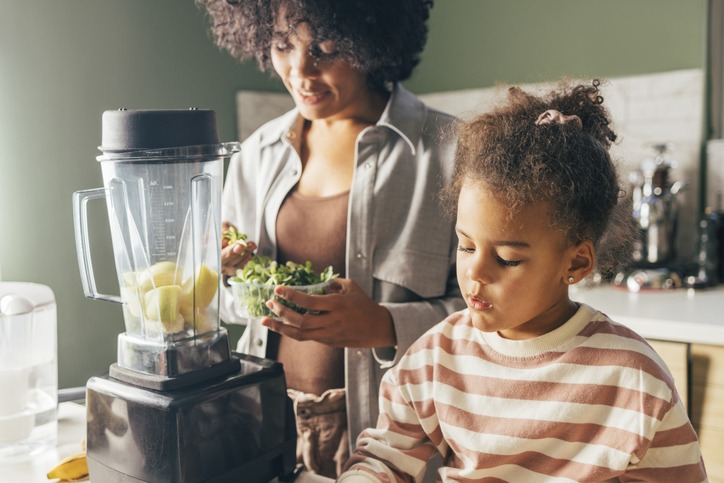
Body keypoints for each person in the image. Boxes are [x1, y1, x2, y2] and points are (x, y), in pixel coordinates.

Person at [338, 80, 708, 482]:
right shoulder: (435, 358)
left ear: (577, 263)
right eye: (465, 247)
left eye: (507, 258)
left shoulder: (633, 378)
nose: (475, 272)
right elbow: (385, 460)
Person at [196, 0, 465, 478]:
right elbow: (232, 308)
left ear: (372, 42)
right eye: (283, 46)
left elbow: (496, 320)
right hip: (265, 425)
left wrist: (385, 325)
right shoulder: (258, 154)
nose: (300, 70)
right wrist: (226, 271)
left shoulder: (449, 152)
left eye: (324, 48)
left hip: (390, 438)